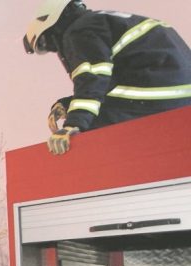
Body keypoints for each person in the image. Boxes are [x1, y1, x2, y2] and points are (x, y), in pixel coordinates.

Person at [23, 0, 191, 155]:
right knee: (94, 113)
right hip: (176, 90)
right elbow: (107, 82)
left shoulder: (78, 31)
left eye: (45, 43)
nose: (52, 49)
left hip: (159, 94)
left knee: (92, 126)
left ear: (52, 24)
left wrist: (73, 124)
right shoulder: (101, 20)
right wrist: (69, 105)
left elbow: (92, 77)